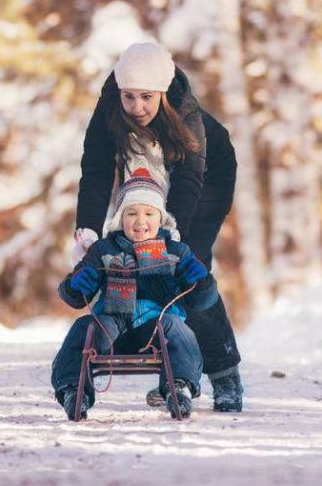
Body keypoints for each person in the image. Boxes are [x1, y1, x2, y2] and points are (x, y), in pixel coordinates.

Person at [74, 42, 244, 412]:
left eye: (147, 97)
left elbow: (190, 182)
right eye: (129, 97)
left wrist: (171, 234)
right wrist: (86, 230)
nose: (137, 108)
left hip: (206, 181)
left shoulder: (185, 114)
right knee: (129, 259)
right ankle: (174, 370)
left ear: (163, 93)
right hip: (145, 181)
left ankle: (225, 374)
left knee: (187, 268)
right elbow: (96, 174)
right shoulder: (108, 110)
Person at [51, 169, 218, 420]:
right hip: (112, 326)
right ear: (120, 218)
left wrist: (202, 281)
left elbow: (201, 301)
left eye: (149, 213)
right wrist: (76, 285)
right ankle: (73, 390)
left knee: (177, 328)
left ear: (160, 218)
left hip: (157, 327)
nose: (141, 221)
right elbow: (74, 297)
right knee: (85, 328)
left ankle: (180, 387)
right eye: (132, 213)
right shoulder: (104, 250)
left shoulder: (176, 252)